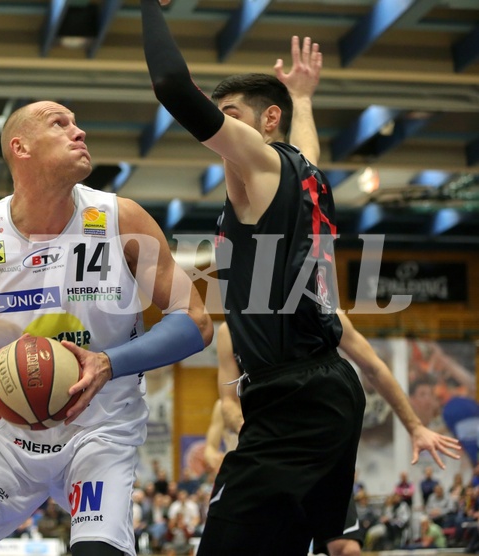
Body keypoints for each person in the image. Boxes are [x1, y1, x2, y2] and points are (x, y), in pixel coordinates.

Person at [0, 99, 213, 556]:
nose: (79, 131)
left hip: (101, 430)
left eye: (77, 122)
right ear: (21, 147)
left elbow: (195, 321)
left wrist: (107, 363)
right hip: (6, 437)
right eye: (60, 124)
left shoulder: (122, 219)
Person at [141, 2, 365, 553]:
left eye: (231, 115)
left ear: (267, 122)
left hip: (295, 395)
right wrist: (304, 98)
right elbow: (307, 147)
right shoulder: (296, 171)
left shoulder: (261, 164)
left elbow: (171, 85)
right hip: (322, 389)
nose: (221, 126)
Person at [216, 315, 461, 556]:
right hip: (267, 454)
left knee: (347, 549)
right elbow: (227, 401)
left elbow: (374, 367)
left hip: (319, 452)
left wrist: (415, 427)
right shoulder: (231, 330)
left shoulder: (319, 309)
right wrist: (248, 428)